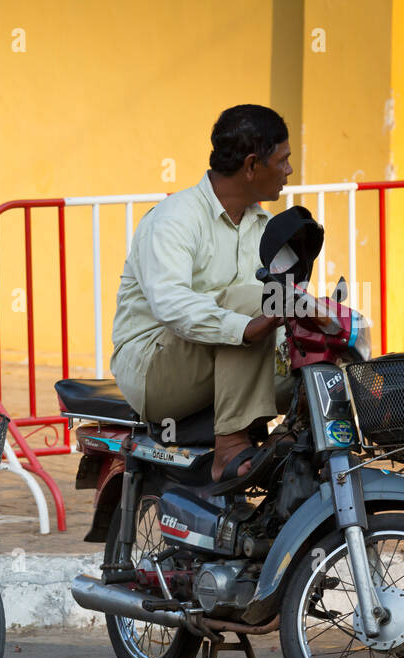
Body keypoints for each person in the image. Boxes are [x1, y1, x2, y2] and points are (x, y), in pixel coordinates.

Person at [110, 104, 293, 483]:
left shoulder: (269, 227)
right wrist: (246, 328)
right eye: (283, 160)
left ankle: (292, 446)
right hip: (154, 371)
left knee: (322, 357)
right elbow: (172, 305)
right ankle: (229, 447)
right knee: (251, 303)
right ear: (251, 166)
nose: (289, 171)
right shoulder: (173, 219)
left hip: (228, 363)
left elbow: (287, 304)